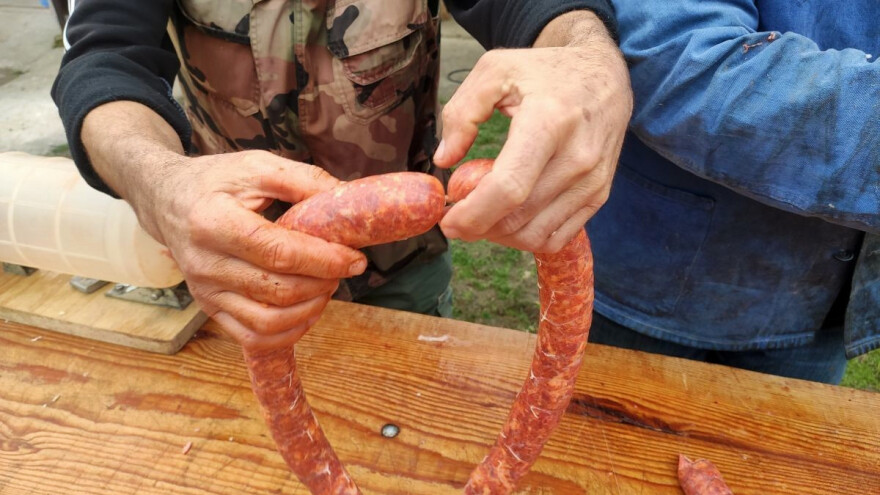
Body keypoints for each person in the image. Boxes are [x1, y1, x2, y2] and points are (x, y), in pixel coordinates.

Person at [52, 1, 632, 351]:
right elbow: (102, 61)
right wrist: (159, 182)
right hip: (235, 267)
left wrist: (583, 53)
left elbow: (547, 7)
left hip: (404, 269)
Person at [586, 0, 880, 384]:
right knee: (606, 434)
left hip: (823, 301)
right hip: (656, 282)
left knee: (784, 443)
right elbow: (678, 55)